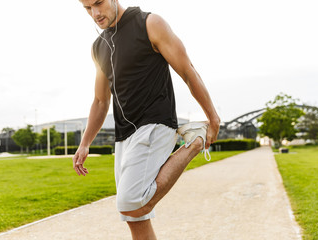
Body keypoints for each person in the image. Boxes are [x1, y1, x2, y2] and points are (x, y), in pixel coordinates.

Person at [73, 0, 220, 239]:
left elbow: (187, 70)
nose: (95, 13)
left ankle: (195, 141)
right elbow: (101, 101)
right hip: (124, 137)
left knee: (132, 203)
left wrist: (212, 118)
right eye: (87, 8)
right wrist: (85, 142)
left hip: (155, 123)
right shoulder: (99, 46)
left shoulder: (150, 23)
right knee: (135, 219)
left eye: (98, 3)